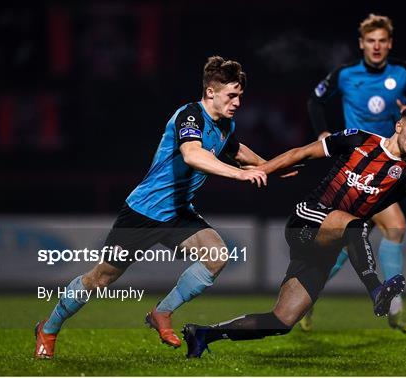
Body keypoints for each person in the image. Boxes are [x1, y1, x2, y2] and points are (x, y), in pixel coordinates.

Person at [34, 56, 269, 359]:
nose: (237, 102)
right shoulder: (190, 116)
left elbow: (237, 151)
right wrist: (241, 174)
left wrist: (271, 166)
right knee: (101, 278)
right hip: (143, 213)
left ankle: (161, 313)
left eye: (240, 96)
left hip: (178, 212)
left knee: (216, 256)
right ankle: (48, 328)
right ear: (211, 91)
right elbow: (193, 155)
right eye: (232, 95)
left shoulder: (225, 124)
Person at [182, 106, 406, 358]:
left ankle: (204, 333)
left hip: (324, 248)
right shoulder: (359, 139)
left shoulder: (404, 173)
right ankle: (376, 291)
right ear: (399, 126)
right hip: (306, 219)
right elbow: (302, 153)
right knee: (357, 225)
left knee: (281, 321)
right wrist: (259, 169)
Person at [304, 14, 406, 333]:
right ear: (362, 44)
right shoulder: (347, 74)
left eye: (382, 41)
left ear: (389, 44)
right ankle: (395, 310)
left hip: (391, 166)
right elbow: (315, 101)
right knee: (392, 228)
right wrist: (322, 133)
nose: (376, 46)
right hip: (358, 167)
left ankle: (306, 297)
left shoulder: (403, 73)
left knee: (351, 242)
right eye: (371, 41)